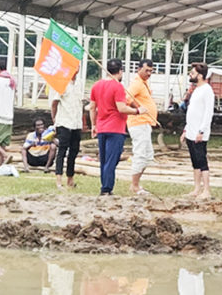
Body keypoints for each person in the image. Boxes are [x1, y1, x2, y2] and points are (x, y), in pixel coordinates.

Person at [90, 58, 146, 196]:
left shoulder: (96, 85)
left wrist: (93, 124)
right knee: (111, 160)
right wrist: (137, 111)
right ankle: (106, 188)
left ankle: (105, 186)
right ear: (120, 71)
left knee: (104, 160)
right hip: (115, 128)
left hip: (102, 127)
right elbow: (121, 108)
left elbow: (92, 107)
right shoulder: (118, 87)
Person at [181, 62, 214, 199]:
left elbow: (208, 113)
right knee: (194, 161)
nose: (190, 74)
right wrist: (185, 130)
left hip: (199, 133)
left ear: (200, 76)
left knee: (202, 161)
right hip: (190, 131)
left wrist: (201, 131)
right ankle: (196, 188)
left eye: (193, 73)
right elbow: (192, 112)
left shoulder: (207, 90)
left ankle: (206, 190)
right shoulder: (195, 90)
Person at [127, 59, 158, 195]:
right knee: (140, 154)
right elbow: (127, 98)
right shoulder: (136, 83)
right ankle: (134, 185)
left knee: (147, 155)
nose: (149, 73)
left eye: (151, 71)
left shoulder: (144, 83)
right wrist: (138, 108)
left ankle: (136, 183)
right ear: (139, 69)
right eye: (146, 70)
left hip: (146, 123)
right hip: (138, 122)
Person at [50, 69, 84, 188]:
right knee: (62, 151)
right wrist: (54, 119)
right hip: (64, 122)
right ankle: (59, 179)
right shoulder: (63, 83)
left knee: (74, 151)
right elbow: (55, 102)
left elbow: (80, 102)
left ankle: (70, 178)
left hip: (76, 122)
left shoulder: (79, 83)